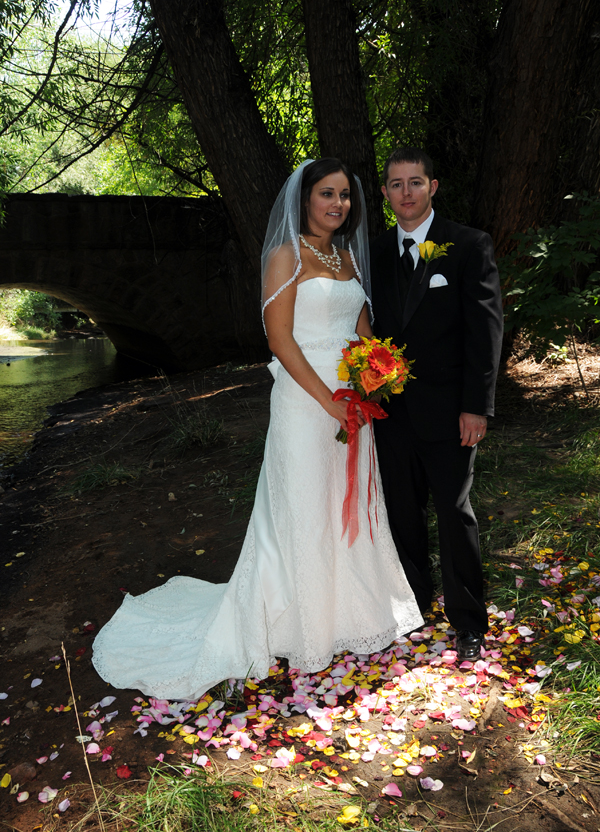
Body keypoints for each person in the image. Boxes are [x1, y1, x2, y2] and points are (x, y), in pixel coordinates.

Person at [92, 158, 423, 700]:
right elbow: (281, 341)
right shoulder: (283, 256)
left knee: (345, 502)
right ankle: (300, 620)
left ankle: (348, 612)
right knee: (303, 504)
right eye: (326, 194)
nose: (337, 204)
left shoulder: (345, 257)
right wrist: (330, 401)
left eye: (344, 195)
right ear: (305, 199)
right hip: (305, 398)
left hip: (351, 401)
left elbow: (362, 329)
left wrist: (378, 374)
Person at [370, 147, 503, 661]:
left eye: (416, 182)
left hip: (451, 412)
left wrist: (477, 406)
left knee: (454, 512)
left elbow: (484, 334)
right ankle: (414, 607)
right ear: (385, 193)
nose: (407, 192)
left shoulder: (468, 245)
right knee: (403, 514)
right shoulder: (374, 252)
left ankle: (469, 622)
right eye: (397, 184)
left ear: (433, 186)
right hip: (390, 412)